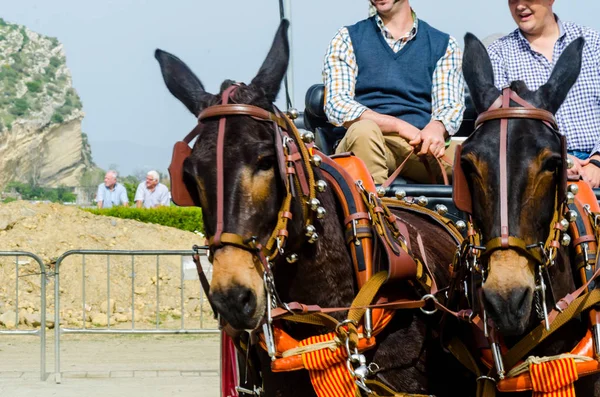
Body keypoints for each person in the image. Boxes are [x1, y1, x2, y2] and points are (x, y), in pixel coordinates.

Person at [323, 0, 465, 184]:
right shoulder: (346, 38)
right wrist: (399, 126)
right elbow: (337, 104)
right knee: (364, 131)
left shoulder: (444, 45)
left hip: (420, 147)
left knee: (482, 157)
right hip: (367, 142)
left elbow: (450, 105)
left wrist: (437, 128)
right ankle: (376, 209)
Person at [488, 0, 600, 187]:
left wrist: (597, 162)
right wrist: (555, 157)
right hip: (538, 170)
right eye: (513, 0)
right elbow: (502, 126)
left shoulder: (592, 43)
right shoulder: (498, 54)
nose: (520, 6)